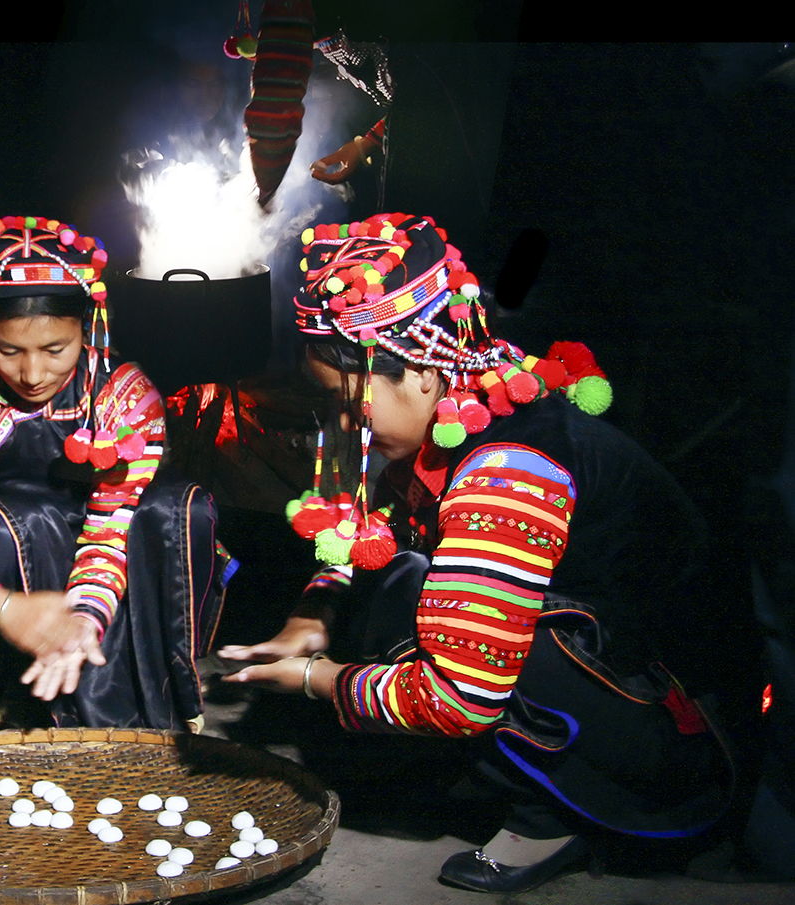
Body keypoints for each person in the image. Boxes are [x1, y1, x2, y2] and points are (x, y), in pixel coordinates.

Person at [218, 213, 739, 893]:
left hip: (673, 730)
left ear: (426, 375)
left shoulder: (507, 473)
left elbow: (461, 696)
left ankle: (551, 814)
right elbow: (370, 522)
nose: (342, 424)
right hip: (611, 657)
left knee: (424, 606)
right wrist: (313, 612)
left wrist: (316, 676)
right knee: (400, 579)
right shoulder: (469, 394)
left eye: (348, 402)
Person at [0, 215, 226, 731]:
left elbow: (109, 532)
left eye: (55, 350)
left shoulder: (126, 397)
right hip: (18, 549)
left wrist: (83, 620)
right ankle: (17, 688)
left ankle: (170, 684)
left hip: (114, 543)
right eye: (9, 350)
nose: (33, 374)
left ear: (86, 328)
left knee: (178, 507)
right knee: (11, 521)